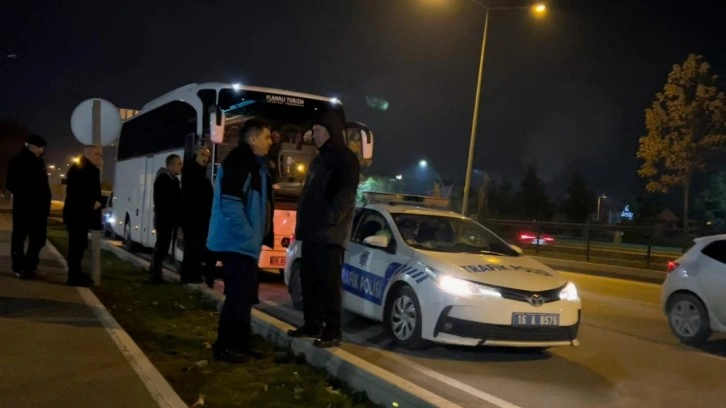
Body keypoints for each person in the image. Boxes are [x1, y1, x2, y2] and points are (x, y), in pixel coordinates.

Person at [288, 113, 361, 348]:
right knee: (309, 280)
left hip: (329, 234)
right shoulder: (319, 159)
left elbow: (347, 194)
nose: (314, 135)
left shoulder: (345, 158)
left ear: (330, 131)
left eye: (318, 131)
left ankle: (332, 330)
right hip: (310, 232)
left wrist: (330, 219)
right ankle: (312, 324)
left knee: (328, 283)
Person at [207, 118, 274, 363]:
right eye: (266, 137)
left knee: (243, 298)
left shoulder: (254, 164)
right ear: (252, 138)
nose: (270, 142)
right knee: (237, 298)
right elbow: (231, 204)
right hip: (237, 243)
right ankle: (226, 347)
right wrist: (249, 234)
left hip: (244, 244)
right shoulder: (240, 162)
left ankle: (240, 346)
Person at [6, 134, 51, 279]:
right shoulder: (18, 160)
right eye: (40, 147)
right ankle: (21, 267)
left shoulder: (39, 162)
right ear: (32, 146)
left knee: (38, 239)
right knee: (20, 237)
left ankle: (29, 266)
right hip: (25, 207)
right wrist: (28, 194)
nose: (42, 150)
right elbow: (10, 184)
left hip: (38, 208)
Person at [63, 145, 103, 286]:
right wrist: (93, 203)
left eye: (100, 154)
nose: (100, 157)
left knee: (79, 245)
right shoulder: (82, 170)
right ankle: (73, 276)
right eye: (97, 154)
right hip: (78, 215)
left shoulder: (86, 169)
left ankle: (75, 274)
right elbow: (77, 193)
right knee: (76, 246)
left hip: (79, 215)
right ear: (88, 155)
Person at [180, 146, 213, 284]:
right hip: (194, 218)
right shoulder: (192, 173)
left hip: (199, 218)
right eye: (202, 154)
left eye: (207, 156)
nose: (205, 158)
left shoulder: (199, 172)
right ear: (195, 155)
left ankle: (192, 274)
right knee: (192, 247)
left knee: (196, 247)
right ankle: (190, 275)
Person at [149, 154, 183, 284]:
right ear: (170, 165)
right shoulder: (163, 180)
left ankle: (156, 273)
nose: (181, 166)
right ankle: (155, 275)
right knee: (161, 247)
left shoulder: (173, 180)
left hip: (168, 219)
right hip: (164, 220)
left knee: (163, 247)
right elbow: (164, 202)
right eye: (178, 164)